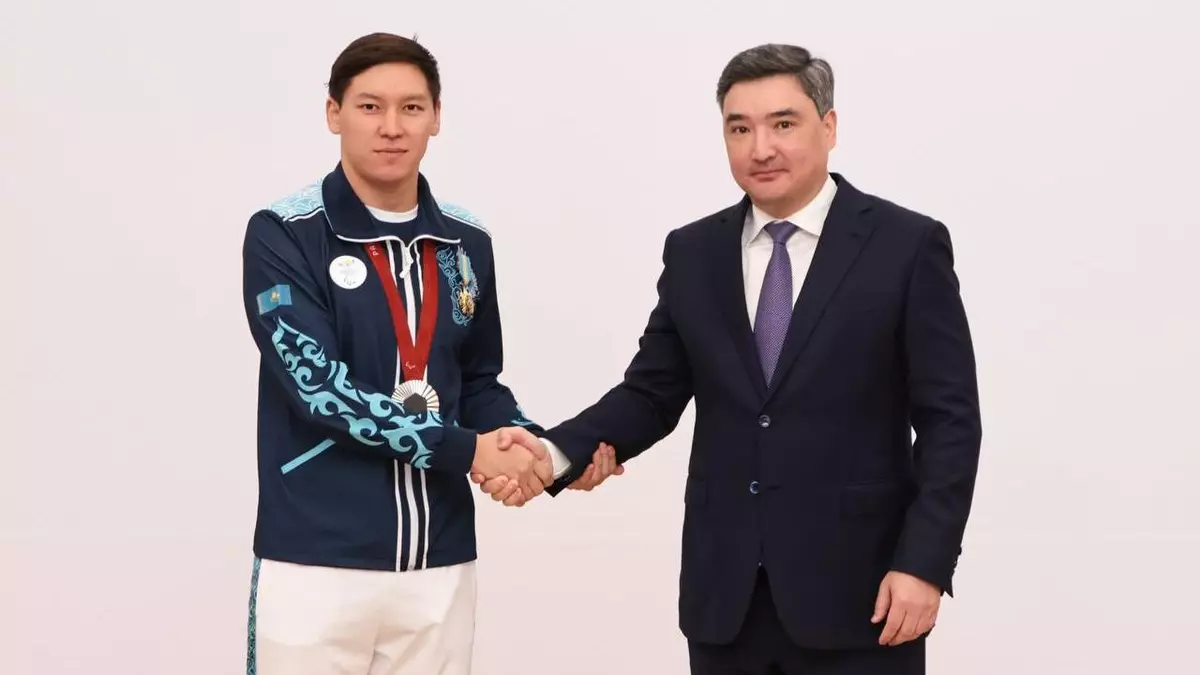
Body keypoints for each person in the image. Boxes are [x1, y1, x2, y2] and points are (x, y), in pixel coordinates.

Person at [477, 43, 982, 674]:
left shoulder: (906, 245)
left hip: (865, 593)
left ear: (829, 126)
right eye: (739, 129)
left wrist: (924, 564)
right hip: (727, 599)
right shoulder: (694, 252)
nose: (760, 148)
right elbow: (651, 393)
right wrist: (553, 454)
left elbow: (950, 422)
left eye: (783, 123)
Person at [239, 32, 608, 675]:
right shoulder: (285, 233)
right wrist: (472, 452)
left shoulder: (465, 241)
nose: (391, 127)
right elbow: (319, 389)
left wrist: (544, 454)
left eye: (411, 107)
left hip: (440, 566)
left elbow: (478, 382)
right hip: (316, 561)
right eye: (370, 106)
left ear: (436, 117)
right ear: (334, 113)